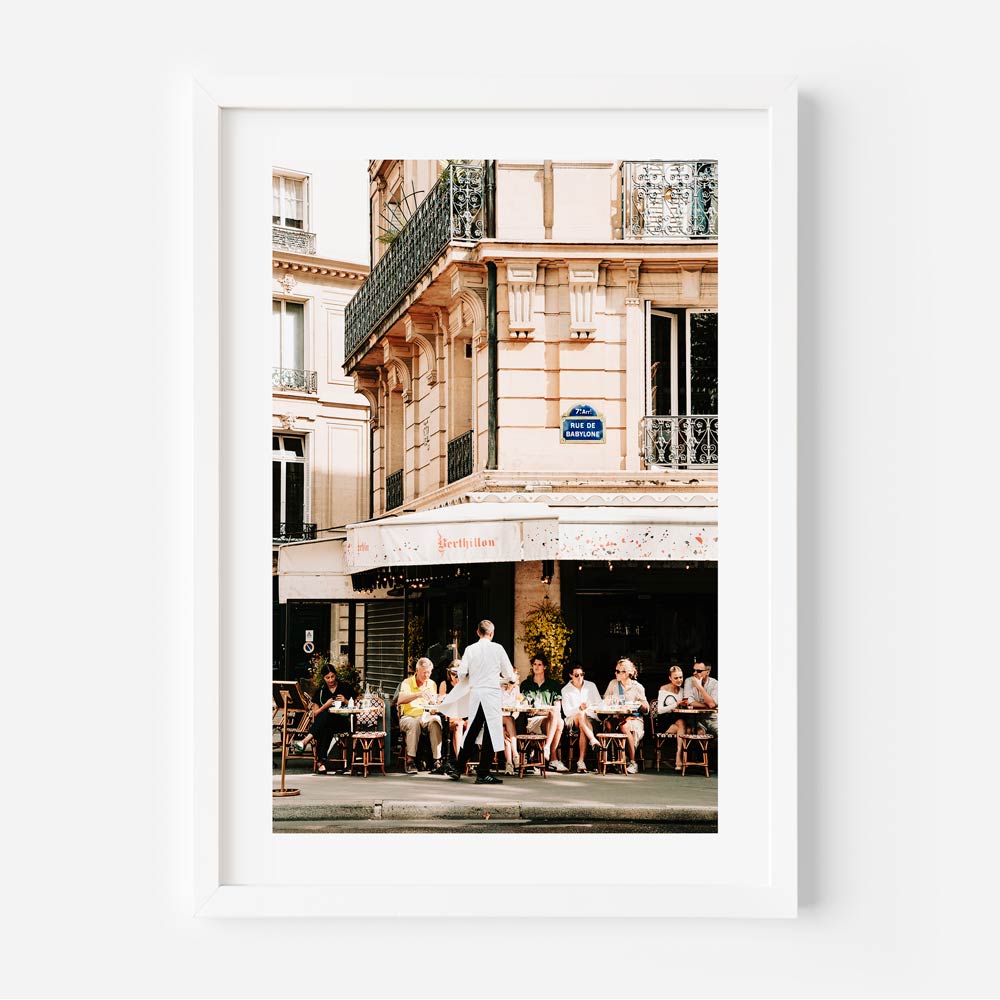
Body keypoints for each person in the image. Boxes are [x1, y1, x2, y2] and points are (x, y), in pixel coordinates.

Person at [442, 620, 517, 784]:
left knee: (473, 728)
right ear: (492, 633)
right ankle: (482, 772)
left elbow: (461, 674)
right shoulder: (498, 649)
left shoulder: (470, 649)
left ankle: (459, 766)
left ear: (478, 632)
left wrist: (472, 677)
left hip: (476, 694)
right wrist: (509, 680)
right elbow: (510, 674)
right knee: (491, 732)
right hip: (491, 694)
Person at [294, 665, 353, 774]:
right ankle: (321, 763)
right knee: (325, 723)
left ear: (335, 675)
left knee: (324, 719)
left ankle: (306, 741)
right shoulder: (321, 691)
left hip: (342, 722)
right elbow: (315, 713)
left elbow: (356, 705)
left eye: (332, 676)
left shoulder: (345, 687)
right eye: (328, 678)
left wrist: (345, 701)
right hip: (327, 723)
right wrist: (325, 706)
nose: (331, 680)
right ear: (323, 678)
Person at [519, 651, 568, 772]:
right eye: (534, 664)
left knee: (557, 719)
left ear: (545, 667)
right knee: (558, 722)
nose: (536, 667)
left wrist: (540, 711)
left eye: (539, 664)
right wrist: (542, 711)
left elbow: (557, 708)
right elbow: (525, 706)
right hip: (532, 721)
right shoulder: (526, 684)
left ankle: (547, 748)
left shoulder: (553, 685)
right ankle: (553, 758)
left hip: (548, 719)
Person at [397, 656, 444, 773]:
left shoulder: (432, 684)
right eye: (424, 673)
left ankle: (437, 760)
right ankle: (410, 760)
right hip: (409, 716)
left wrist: (435, 704)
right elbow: (400, 700)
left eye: (429, 672)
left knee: (436, 721)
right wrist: (418, 694)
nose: (426, 675)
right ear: (417, 671)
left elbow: (432, 703)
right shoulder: (407, 683)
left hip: (425, 716)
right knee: (414, 723)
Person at [602, 657, 648, 773]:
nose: (615, 673)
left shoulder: (637, 687)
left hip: (633, 718)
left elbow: (646, 708)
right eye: (616, 671)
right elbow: (605, 700)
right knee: (608, 724)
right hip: (616, 716)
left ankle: (632, 762)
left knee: (624, 726)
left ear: (627, 673)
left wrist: (638, 704)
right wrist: (609, 701)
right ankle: (615, 759)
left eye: (618, 671)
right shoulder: (613, 684)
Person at [560, 664, 602, 773]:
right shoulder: (565, 690)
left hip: (590, 718)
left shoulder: (591, 686)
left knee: (583, 724)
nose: (580, 677)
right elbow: (567, 712)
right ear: (570, 675)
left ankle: (581, 761)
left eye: (582, 674)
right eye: (576, 675)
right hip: (572, 720)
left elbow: (599, 704)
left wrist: (589, 708)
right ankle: (593, 740)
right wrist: (579, 708)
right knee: (580, 714)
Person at [656, 664, 687, 770]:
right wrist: (676, 704)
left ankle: (680, 756)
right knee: (684, 726)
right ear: (670, 678)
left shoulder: (683, 690)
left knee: (684, 725)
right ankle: (680, 757)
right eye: (676, 678)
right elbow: (659, 710)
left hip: (678, 721)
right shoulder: (664, 689)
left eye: (681, 677)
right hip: (665, 722)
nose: (679, 680)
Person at [438, 660, 466, 760]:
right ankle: (459, 759)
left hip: (464, 716)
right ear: (449, 673)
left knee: (471, 725)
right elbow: (441, 702)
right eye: (453, 674)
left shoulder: (465, 685)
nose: (455, 677)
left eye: (458, 674)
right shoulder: (445, 684)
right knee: (458, 725)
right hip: (451, 718)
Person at [683, 660, 719, 737]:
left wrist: (699, 687)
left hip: (712, 718)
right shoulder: (689, 681)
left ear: (707, 672)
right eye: (694, 670)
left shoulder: (715, 683)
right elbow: (689, 702)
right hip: (696, 718)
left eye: (698, 671)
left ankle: (711, 747)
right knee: (699, 733)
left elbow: (712, 704)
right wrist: (708, 705)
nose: (694, 673)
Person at [500, 677, 522, 775]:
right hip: (496, 717)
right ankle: (515, 754)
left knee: (508, 729)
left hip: (508, 720)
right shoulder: (499, 688)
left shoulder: (516, 689)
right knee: (509, 720)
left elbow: (517, 708)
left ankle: (509, 763)